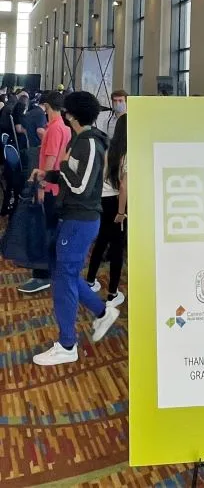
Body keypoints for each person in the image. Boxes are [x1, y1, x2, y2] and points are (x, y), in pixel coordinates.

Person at [30, 91, 120, 366]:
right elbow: (73, 178)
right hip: (73, 217)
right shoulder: (81, 140)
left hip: (80, 220)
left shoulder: (89, 143)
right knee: (62, 272)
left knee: (64, 278)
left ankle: (67, 344)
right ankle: (102, 312)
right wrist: (49, 174)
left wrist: (61, 166)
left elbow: (81, 186)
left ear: (70, 114)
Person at [17, 92, 73, 294]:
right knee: (50, 230)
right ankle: (48, 271)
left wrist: (41, 186)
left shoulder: (54, 129)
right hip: (57, 186)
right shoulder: (64, 128)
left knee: (43, 232)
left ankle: (42, 275)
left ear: (47, 106)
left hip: (49, 187)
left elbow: (49, 159)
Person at [85, 114, 127, 308]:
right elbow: (124, 187)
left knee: (101, 241)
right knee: (117, 249)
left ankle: (90, 280)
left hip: (102, 200)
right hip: (116, 203)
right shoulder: (128, 154)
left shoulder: (109, 149)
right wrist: (121, 212)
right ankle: (112, 294)